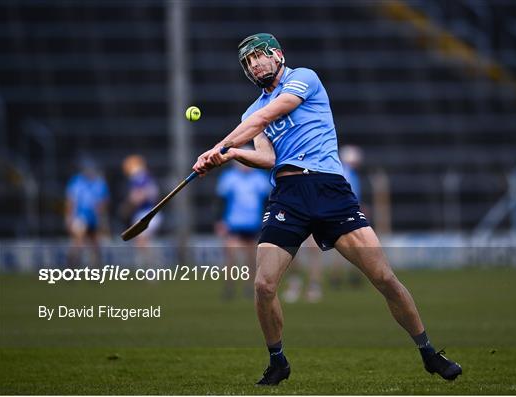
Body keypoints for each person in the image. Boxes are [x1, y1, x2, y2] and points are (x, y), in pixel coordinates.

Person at [193, 33, 462, 386]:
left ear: (277, 55)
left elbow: (268, 116)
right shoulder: (250, 110)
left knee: (384, 278)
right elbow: (268, 156)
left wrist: (220, 145)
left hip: (328, 188)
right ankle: (278, 361)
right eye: (247, 62)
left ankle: (428, 352)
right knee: (263, 285)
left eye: (259, 56)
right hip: (288, 194)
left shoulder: (304, 77)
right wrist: (230, 156)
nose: (254, 64)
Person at [215, 159, 271, 299]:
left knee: (251, 258)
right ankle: (229, 287)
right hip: (233, 223)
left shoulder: (260, 178)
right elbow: (220, 201)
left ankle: (249, 287)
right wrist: (219, 221)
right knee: (231, 256)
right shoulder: (229, 177)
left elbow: (267, 203)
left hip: (253, 223)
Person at [65, 156, 109, 266]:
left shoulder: (99, 182)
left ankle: (95, 270)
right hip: (80, 217)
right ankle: (72, 267)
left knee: (95, 245)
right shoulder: (76, 181)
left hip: (93, 218)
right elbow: (71, 201)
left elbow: (102, 204)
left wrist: (102, 220)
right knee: (78, 242)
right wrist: (68, 218)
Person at [120, 155, 161, 263]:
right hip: (142, 214)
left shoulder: (140, 177)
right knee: (141, 242)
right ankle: (149, 267)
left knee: (142, 241)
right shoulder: (144, 177)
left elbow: (139, 197)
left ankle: (153, 266)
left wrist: (128, 205)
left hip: (147, 213)